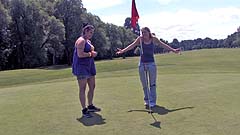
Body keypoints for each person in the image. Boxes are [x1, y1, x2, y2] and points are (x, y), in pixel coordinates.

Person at [116, 27, 180, 108]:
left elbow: (163, 45)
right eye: (142, 33)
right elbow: (132, 46)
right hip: (142, 64)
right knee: (144, 84)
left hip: (151, 64)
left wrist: (173, 50)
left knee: (152, 84)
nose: (143, 34)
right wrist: (123, 51)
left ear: (149, 32)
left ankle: (152, 101)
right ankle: (147, 100)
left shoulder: (154, 39)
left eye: (145, 32)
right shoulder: (140, 39)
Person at [72, 23, 101, 118]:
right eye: (90, 32)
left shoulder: (88, 41)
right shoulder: (81, 41)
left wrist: (92, 53)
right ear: (85, 31)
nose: (91, 34)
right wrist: (90, 54)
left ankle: (90, 105)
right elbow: (80, 54)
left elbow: (90, 51)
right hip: (81, 67)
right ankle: (84, 110)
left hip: (90, 66)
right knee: (83, 88)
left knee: (92, 86)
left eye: (92, 32)